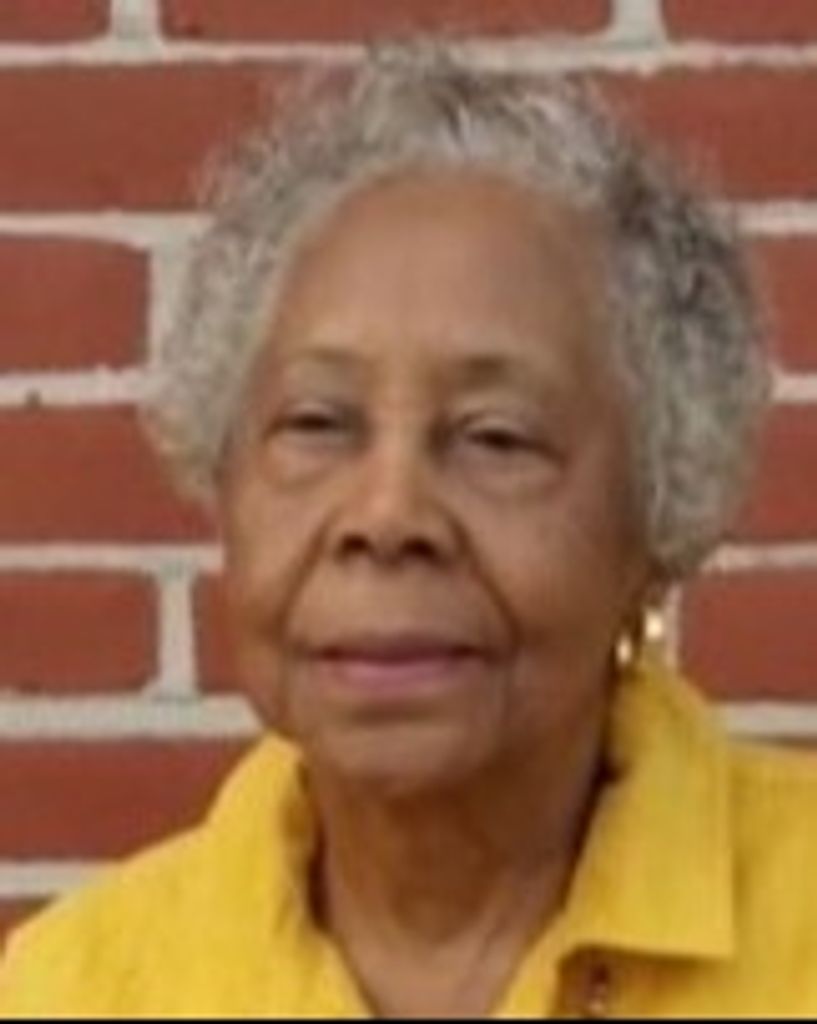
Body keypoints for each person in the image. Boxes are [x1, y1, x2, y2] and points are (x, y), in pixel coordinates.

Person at [0, 42, 814, 1018]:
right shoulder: (75, 988)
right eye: (316, 424)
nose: (387, 516)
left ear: (659, 519)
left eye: (495, 437)